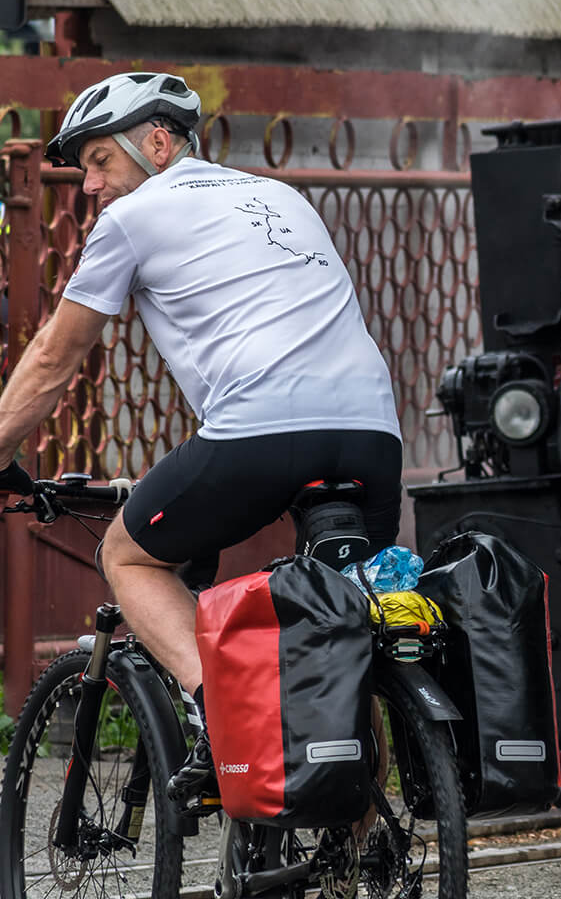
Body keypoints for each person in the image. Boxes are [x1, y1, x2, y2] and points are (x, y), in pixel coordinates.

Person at [0, 71, 403, 804]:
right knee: (347, 628)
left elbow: (56, 357)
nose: (88, 185)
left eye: (98, 161)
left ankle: (224, 719)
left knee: (129, 555)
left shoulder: (134, 216)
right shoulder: (281, 196)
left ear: (157, 142)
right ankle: (361, 857)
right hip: (373, 433)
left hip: (262, 433)